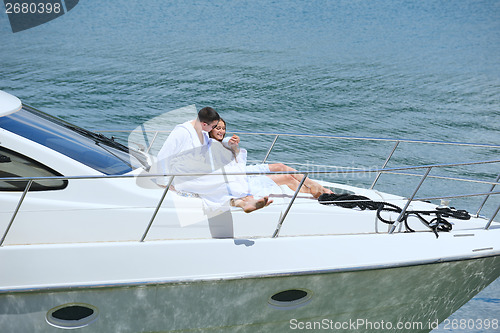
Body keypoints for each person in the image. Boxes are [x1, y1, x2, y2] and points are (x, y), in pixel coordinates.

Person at [156, 107, 272, 213]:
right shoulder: (182, 132)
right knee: (223, 180)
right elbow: (164, 155)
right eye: (213, 127)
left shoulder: (203, 132)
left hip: (197, 170)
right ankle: (245, 200)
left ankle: (244, 202)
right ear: (205, 124)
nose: (213, 130)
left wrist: (228, 142)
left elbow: (212, 143)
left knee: (231, 174)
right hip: (183, 176)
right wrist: (164, 182)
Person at [209, 119, 333, 198]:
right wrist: (229, 144)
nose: (221, 131)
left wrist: (232, 145)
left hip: (242, 172)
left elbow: (229, 148)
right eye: (218, 128)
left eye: (223, 128)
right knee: (287, 178)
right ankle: (316, 192)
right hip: (237, 181)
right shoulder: (209, 145)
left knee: (281, 166)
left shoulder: (220, 142)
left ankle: (317, 188)